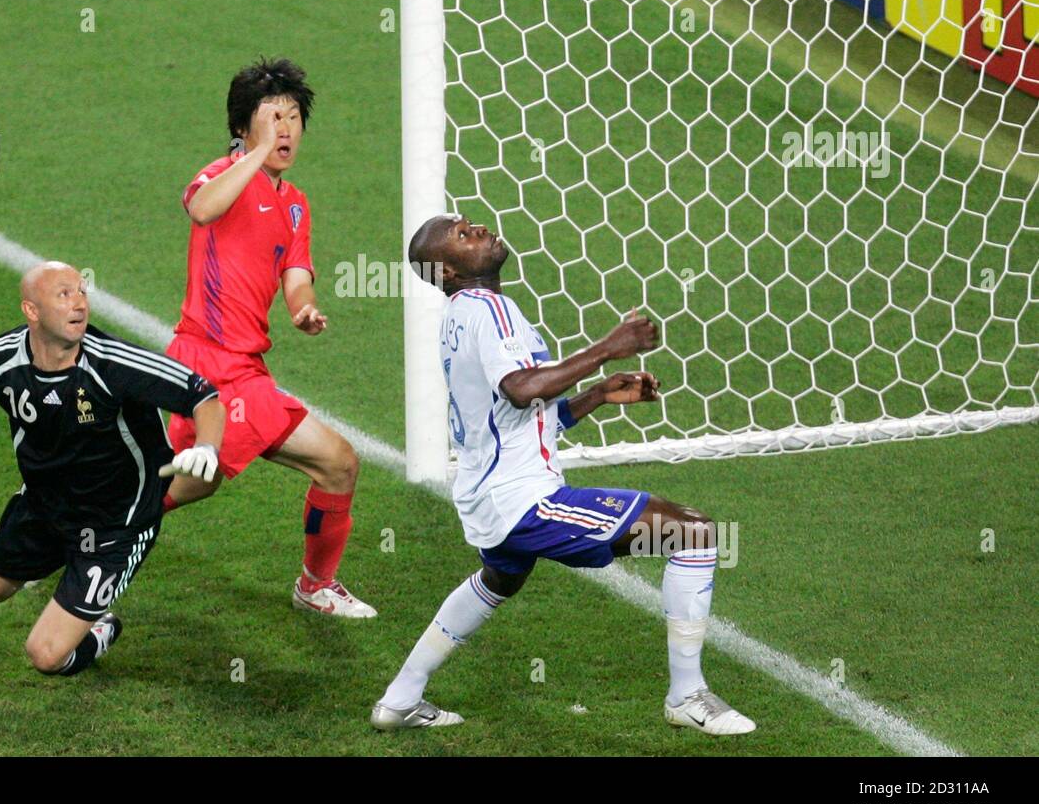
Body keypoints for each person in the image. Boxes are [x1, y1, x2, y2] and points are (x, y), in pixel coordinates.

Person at [371, 215, 755, 735]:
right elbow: (521, 389)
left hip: (487, 495)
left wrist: (597, 395)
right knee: (692, 533)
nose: (479, 229)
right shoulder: (491, 308)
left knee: (500, 578)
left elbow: (517, 413)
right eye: (463, 235)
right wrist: (608, 347)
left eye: (470, 224)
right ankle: (687, 695)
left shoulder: (459, 316)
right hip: (522, 500)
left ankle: (400, 698)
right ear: (448, 271)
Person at [0, 261, 225, 676]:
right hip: (44, 506)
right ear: (32, 311)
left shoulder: (115, 363)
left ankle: (100, 625)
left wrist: (207, 446)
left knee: (47, 655)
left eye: (81, 292)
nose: (79, 303)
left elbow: (203, 395)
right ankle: (56, 571)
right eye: (63, 295)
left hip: (116, 523)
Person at [162, 57, 374, 618]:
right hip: (207, 365)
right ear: (243, 127)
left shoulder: (296, 204)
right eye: (271, 117)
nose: (285, 129)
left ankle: (315, 585)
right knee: (172, 487)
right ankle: (66, 535)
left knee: (335, 465)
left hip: (246, 370)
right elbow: (201, 208)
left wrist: (305, 311)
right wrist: (253, 152)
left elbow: (296, 281)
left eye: (293, 117)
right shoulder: (221, 176)